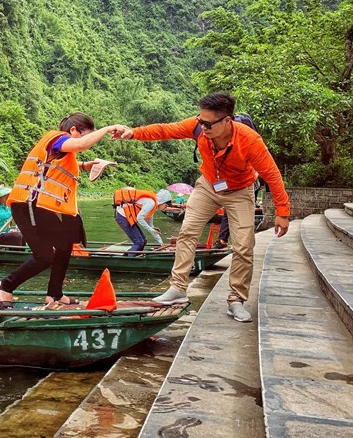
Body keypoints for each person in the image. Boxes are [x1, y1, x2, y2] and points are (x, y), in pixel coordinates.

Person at [112, 92, 290, 322]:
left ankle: (236, 300)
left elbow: (272, 175)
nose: (202, 127)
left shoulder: (249, 140)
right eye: (200, 121)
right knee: (187, 232)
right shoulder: (198, 126)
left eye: (208, 124)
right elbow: (166, 130)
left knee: (244, 246)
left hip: (239, 190)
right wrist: (133, 133)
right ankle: (177, 288)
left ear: (227, 121)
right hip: (208, 185)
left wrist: (282, 212)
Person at [0, 113, 120, 309]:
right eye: (86, 134)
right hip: (27, 205)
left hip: (38, 207)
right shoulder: (58, 138)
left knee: (64, 245)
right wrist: (107, 128)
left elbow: (54, 166)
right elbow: (79, 145)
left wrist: (85, 165)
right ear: (73, 130)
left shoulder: (59, 149)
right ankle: (5, 286)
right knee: (44, 256)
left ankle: (55, 294)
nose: (87, 141)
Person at [112, 187, 170, 254]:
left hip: (128, 218)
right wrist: (151, 230)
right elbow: (139, 218)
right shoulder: (151, 203)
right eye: (166, 205)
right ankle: (130, 258)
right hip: (123, 217)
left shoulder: (153, 206)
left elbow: (150, 225)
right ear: (162, 202)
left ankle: (132, 256)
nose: (166, 208)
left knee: (144, 241)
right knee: (139, 242)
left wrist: (160, 242)